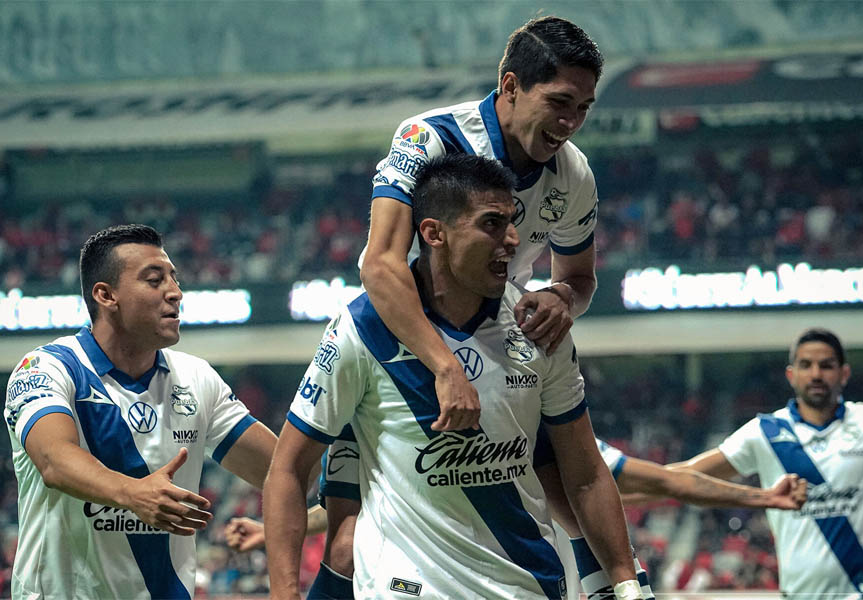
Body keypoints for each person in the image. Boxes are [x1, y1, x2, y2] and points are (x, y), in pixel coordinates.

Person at [314, 15, 615, 599]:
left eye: (584, 107)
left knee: (570, 475)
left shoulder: (574, 173)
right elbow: (379, 264)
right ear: (509, 86)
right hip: (398, 338)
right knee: (347, 540)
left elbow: (579, 279)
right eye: (559, 102)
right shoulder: (427, 138)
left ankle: (614, 583)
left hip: (501, 334)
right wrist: (443, 365)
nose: (571, 122)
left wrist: (561, 300)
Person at [264, 154, 642, 600]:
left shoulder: (537, 326)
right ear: (433, 233)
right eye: (492, 224)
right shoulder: (362, 328)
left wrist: (627, 585)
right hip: (407, 588)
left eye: (513, 222)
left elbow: (585, 474)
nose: (513, 240)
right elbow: (288, 468)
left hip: (529, 586)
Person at [4, 224, 278, 599]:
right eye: (154, 280)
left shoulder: (196, 377)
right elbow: (55, 461)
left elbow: (284, 471)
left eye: (173, 279)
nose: (176, 293)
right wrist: (133, 494)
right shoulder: (45, 368)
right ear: (106, 295)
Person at [230, 436, 807, 597]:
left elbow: (668, 480)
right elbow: (356, 504)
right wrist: (269, 531)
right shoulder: (424, 446)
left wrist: (762, 498)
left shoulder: (555, 445)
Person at [670, 327, 863, 599]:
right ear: (791, 374)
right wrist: (620, 484)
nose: (816, 374)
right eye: (806, 365)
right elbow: (684, 476)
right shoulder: (764, 431)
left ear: (844, 373)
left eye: (826, 366)